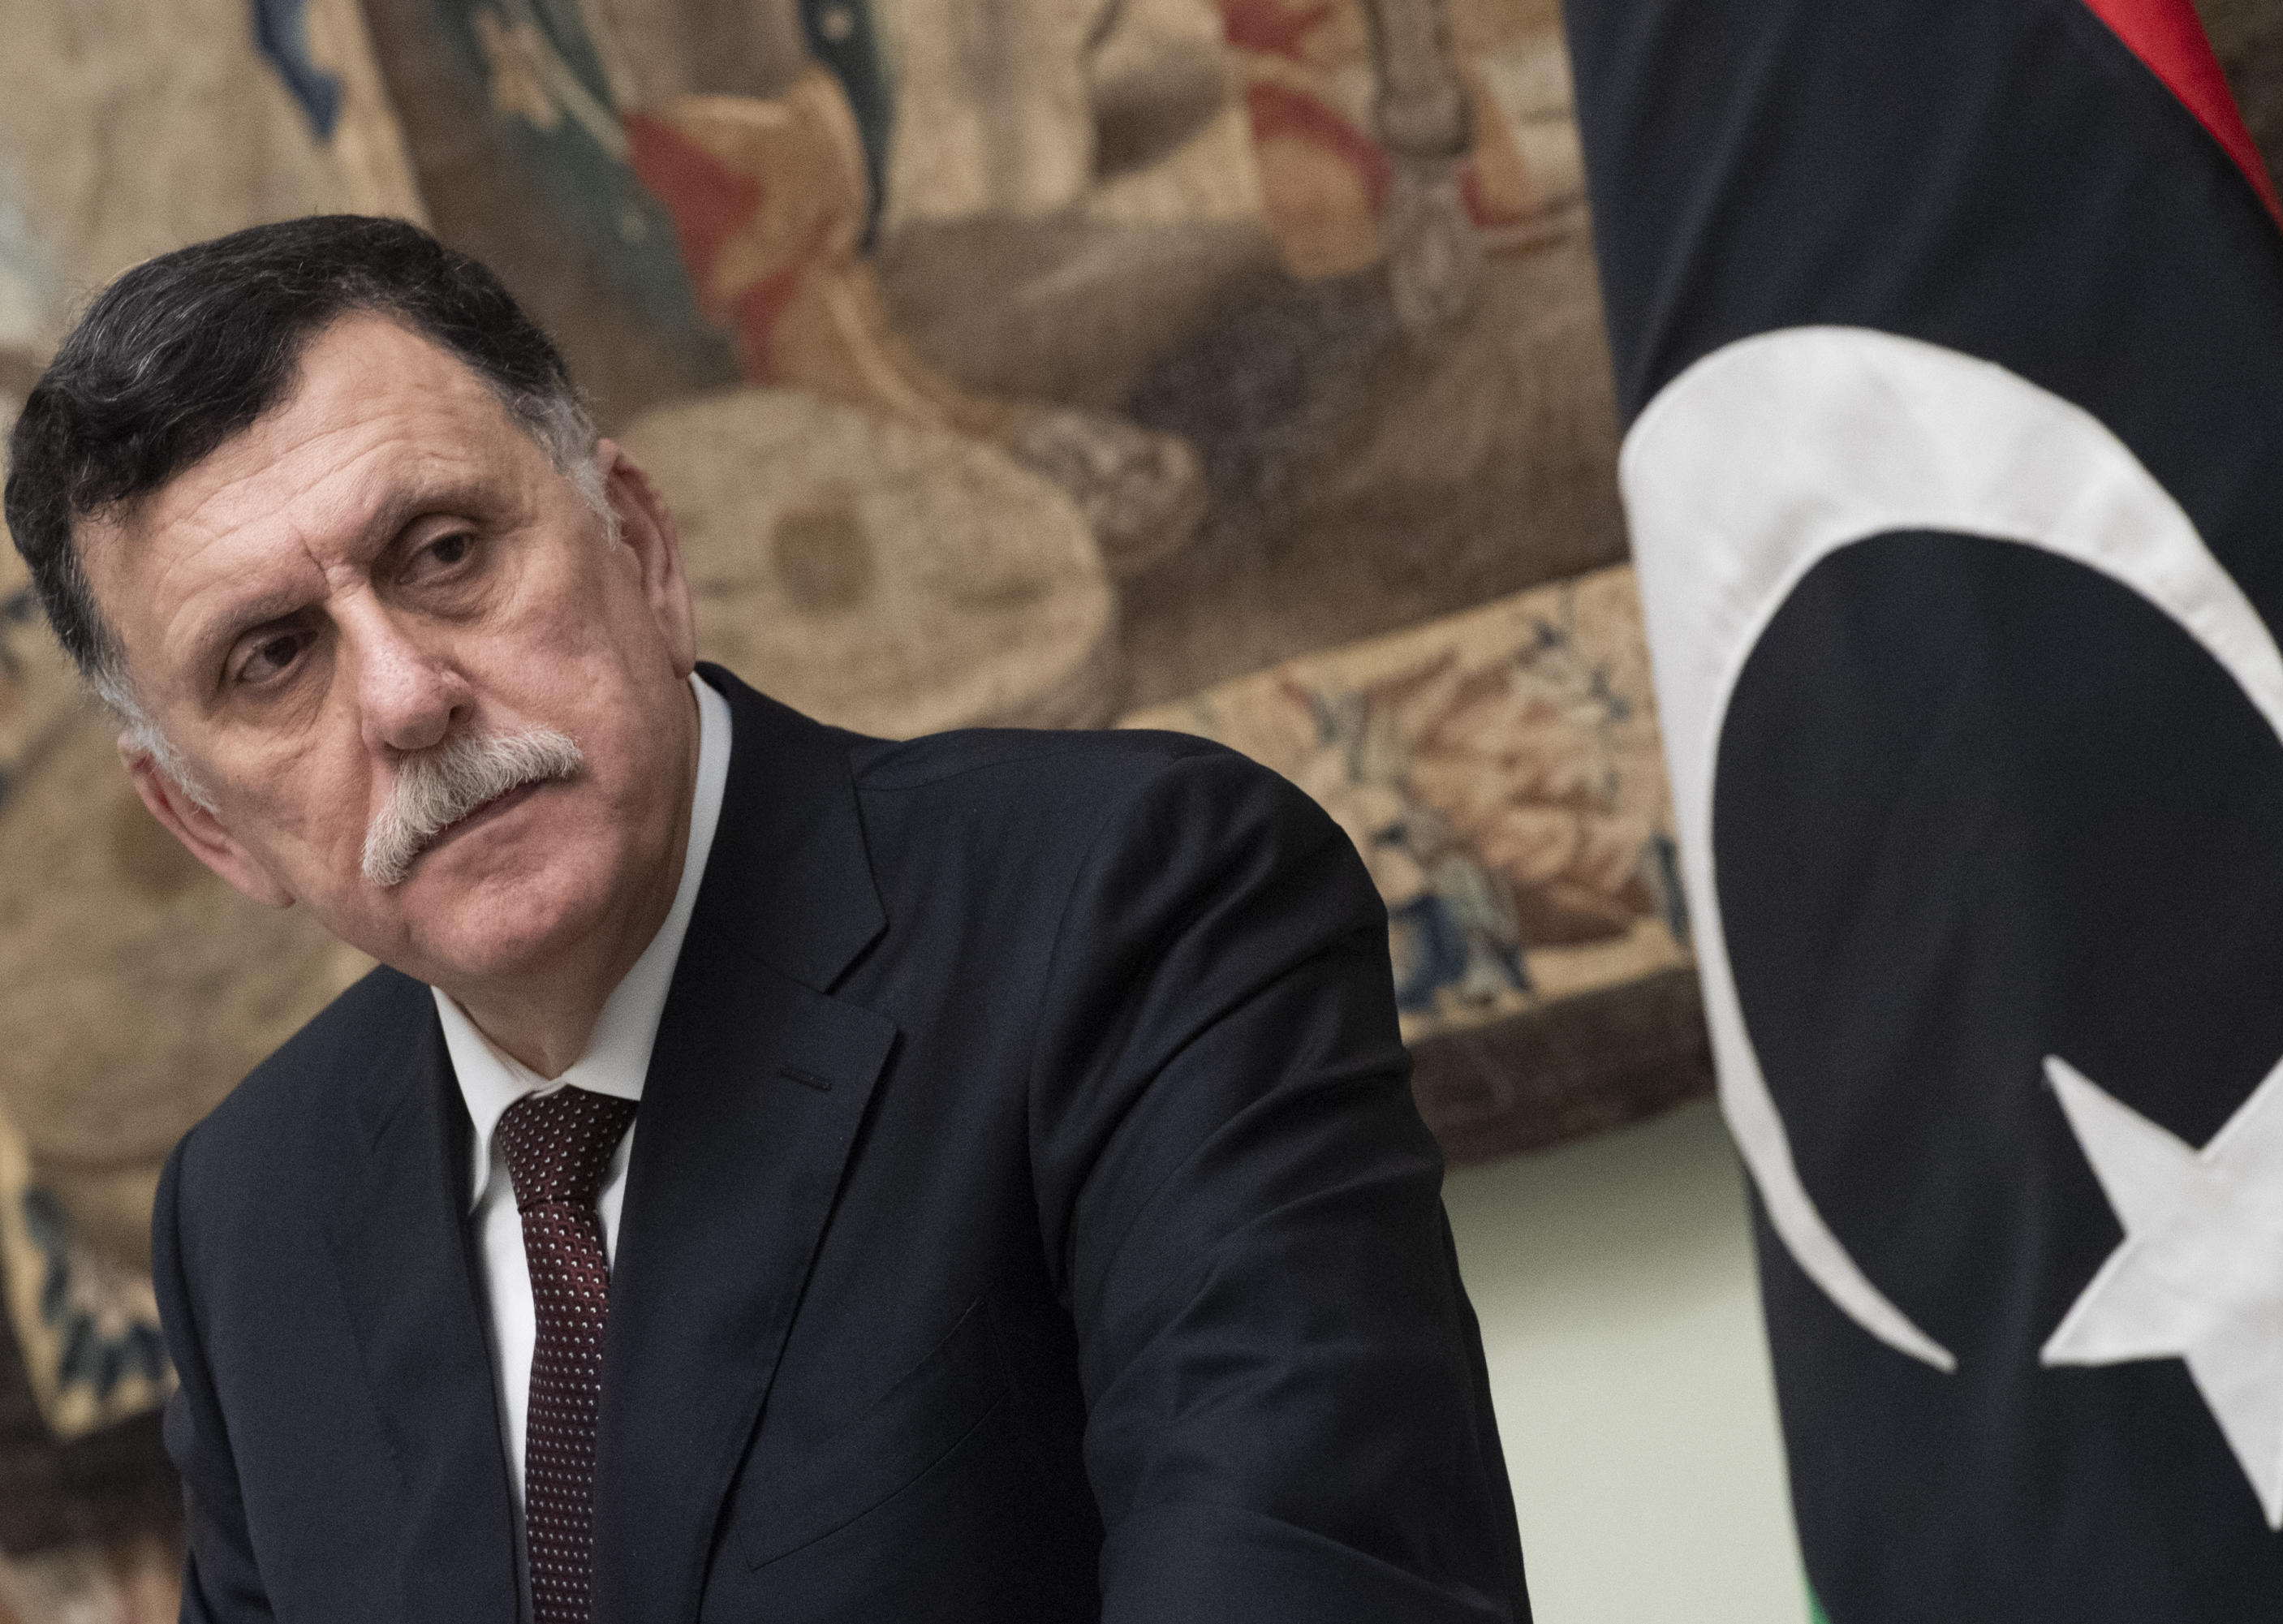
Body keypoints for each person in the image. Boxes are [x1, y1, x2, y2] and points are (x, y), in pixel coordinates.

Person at [2, 216, 1531, 1624]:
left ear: (642, 550)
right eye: (273, 658)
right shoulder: (249, 1212)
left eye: (447, 553)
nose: (405, 696)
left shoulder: (1135, 901)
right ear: (204, 821)